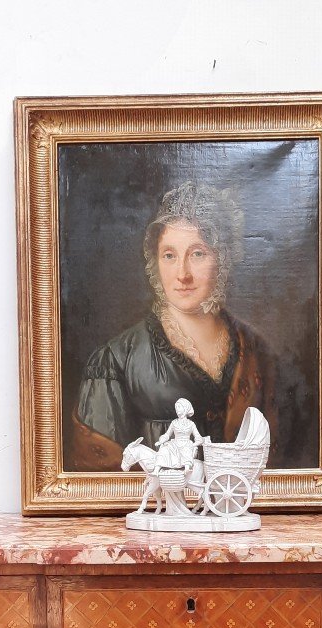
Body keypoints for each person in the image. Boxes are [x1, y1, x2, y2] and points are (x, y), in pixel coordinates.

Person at [71, 181, 287, 470]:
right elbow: (101, 475)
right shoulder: (115, 360)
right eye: (169, 255)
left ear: (221, 259)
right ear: (155, 262)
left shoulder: (256, 349)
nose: (182, 274)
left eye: (198, 253)